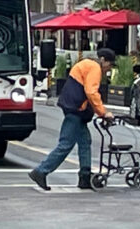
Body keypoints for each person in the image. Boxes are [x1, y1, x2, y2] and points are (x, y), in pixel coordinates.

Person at [29, 48, 116, 191]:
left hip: (73, 107)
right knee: (66, 144)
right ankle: (41, 171)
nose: (109, 69)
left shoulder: (86, 63)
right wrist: (103, 113)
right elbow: (91, 91)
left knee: (84, 141)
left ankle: (85, 176)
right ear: (103, 60)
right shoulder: (95, 68)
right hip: (76, 109)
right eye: (110, 65)